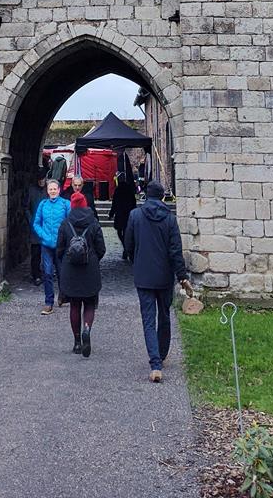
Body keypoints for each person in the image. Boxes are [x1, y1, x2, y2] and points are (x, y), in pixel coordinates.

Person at [123, 180, 192, 382]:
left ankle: (155, 364)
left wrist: (137, 260)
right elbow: (175, 250)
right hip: (164, 275)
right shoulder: (169, 219)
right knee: (164, 315)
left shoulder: (135, 216)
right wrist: (181, 276)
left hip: (144, 274)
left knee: (148, 319)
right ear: (162, 197)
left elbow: (128, 244)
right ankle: (161, 354)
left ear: (146, 195)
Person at [56, 190, 106, 356]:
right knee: (89, 303)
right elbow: (101, 248)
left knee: (75, 305)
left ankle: (77, 342)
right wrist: (93, 259)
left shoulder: (65, 223)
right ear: (85, 204)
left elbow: (59, 249)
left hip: (71, 270)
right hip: (89, 270)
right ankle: (87, 329)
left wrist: (66, 260)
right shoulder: (93, 223)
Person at [31, 178, 70, 314]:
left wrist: (65, 237)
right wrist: (43, 235)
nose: (52, 191)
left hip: (61, 245)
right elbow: (36, 223)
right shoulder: (43, 205)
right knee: (47, 273)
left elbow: (70, 223)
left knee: (61, 272)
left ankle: (63, 295)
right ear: (47, 191)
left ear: (59, 190)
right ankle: (49, 302)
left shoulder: (66, 204)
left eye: (55, 189)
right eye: (50, 189)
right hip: (46, 244)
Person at [110, 153, 136, 252]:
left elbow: (114, 203)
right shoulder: (127, 190)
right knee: (124, 231)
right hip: (126, 213)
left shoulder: (120, 190)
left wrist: (111, 213)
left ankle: (126, 248)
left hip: (122, 213)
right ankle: (126, 247)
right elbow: (133, 201)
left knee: (122, 231)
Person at [25, 167, 47, 285]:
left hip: (47, 225)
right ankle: (36, 274)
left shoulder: (49, 190)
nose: (41, 181)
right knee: (36, 252)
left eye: (42, 179)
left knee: (49, 251)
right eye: (39, 179)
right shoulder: (31, 190)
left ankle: (48, 272)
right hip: (36, 226)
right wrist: (31, 220)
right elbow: (26, 207)